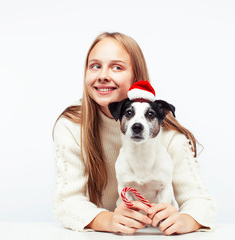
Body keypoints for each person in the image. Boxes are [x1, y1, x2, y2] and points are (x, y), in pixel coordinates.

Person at [53, 32, 217, 235]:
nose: (103, 75)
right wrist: (107, 220)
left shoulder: (166, 133)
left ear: (135, 77)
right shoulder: (71, 126)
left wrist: (185, 220)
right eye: (95, 66)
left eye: (117, 67)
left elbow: (200, 202)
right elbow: (67, 201)